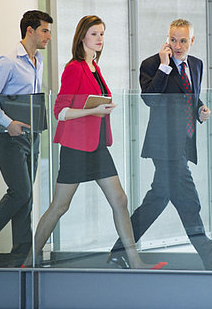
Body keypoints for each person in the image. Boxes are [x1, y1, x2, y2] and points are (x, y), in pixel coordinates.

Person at [25, 15, 165, 269]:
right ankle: (29, 259)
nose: (100, 39)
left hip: (98, 146)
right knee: (60, 206)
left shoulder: (95, 68)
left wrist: (101, 107)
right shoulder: (74, 68)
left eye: (102, 34)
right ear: (82, 37)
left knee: (120, 200)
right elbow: (60, 111)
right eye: (94, 34)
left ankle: (134, 261)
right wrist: (93, 111)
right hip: (76, 148)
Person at [108, 18, 212, 270]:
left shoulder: (196, 64)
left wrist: (201, 109)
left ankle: (119, 252)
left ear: (192, 41)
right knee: (189, 202)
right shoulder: (152, 65)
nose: (178, 46)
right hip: (163, 145)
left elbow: (191, 96)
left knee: (157, 200)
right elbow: (150, 100)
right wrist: (165, 67)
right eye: (173, 40)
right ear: (167, 39)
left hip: (183, 144)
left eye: (183, 40)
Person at [0, 10, 53, 267]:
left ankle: (22, 253)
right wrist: (8, 123)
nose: (49, 36)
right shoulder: (7, 62)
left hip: (32, 137)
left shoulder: (37, 61)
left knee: (25, 197)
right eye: (45, 30)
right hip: (8, 137)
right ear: (30, 30)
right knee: (20, 192)